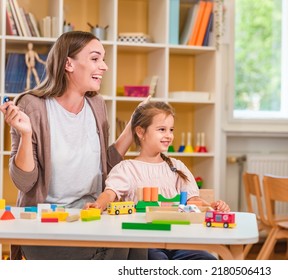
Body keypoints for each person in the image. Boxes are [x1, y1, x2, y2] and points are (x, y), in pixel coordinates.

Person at [0, 31, 147, 260]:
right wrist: (26, 135)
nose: (104, 67)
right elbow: (24, 181)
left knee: (138, 246)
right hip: (47, 225)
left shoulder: (97, 104)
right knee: (120, 250)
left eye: (103, 59)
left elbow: (104, 165)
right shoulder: (31, 105)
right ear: (68, 64)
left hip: (92, 218)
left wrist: (132, 125)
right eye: (95, 59)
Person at [85, 101, 230, 260]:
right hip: (146, 243)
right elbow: (110, 193)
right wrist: (98, 205)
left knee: (209, 260)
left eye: (171, 130)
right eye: (162, 130)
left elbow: (193, 200)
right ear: (140, 132)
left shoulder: (177, 166)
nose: (168, 135)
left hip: (178, 241)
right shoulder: (126, 168)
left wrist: (212, 206)